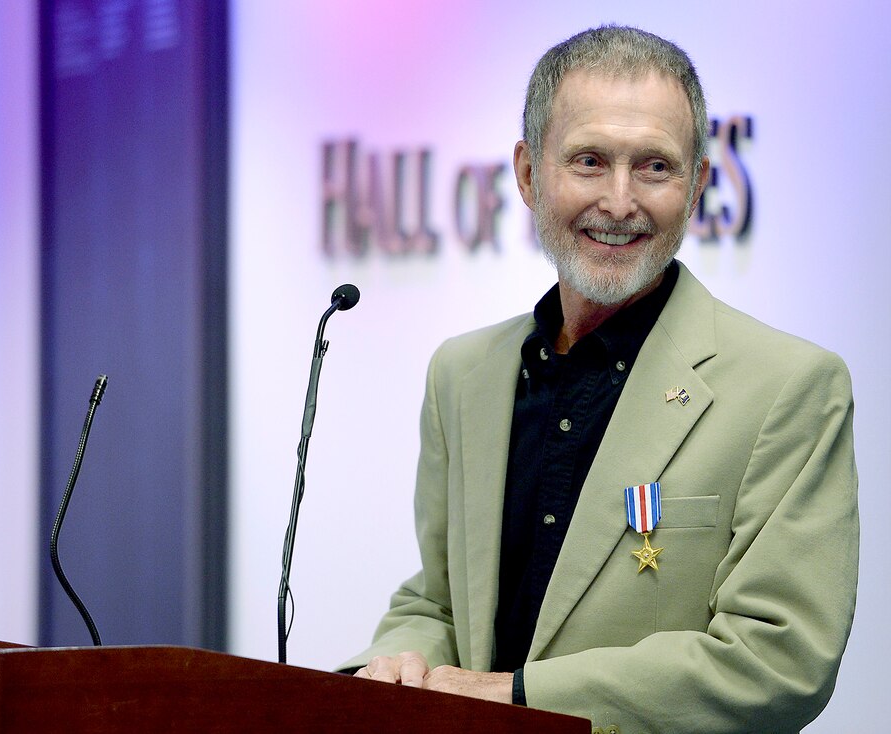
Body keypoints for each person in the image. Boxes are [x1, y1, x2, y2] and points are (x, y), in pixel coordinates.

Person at [341, 25, 858, 734]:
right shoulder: (463, 376)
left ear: (698, 185)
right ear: (528, 175)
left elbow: (779, 661)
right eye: (589, 161)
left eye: (655, 167)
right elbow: (438, 604)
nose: (619, 201)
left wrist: (517, 696)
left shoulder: (790, 387)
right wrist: (394, 668)